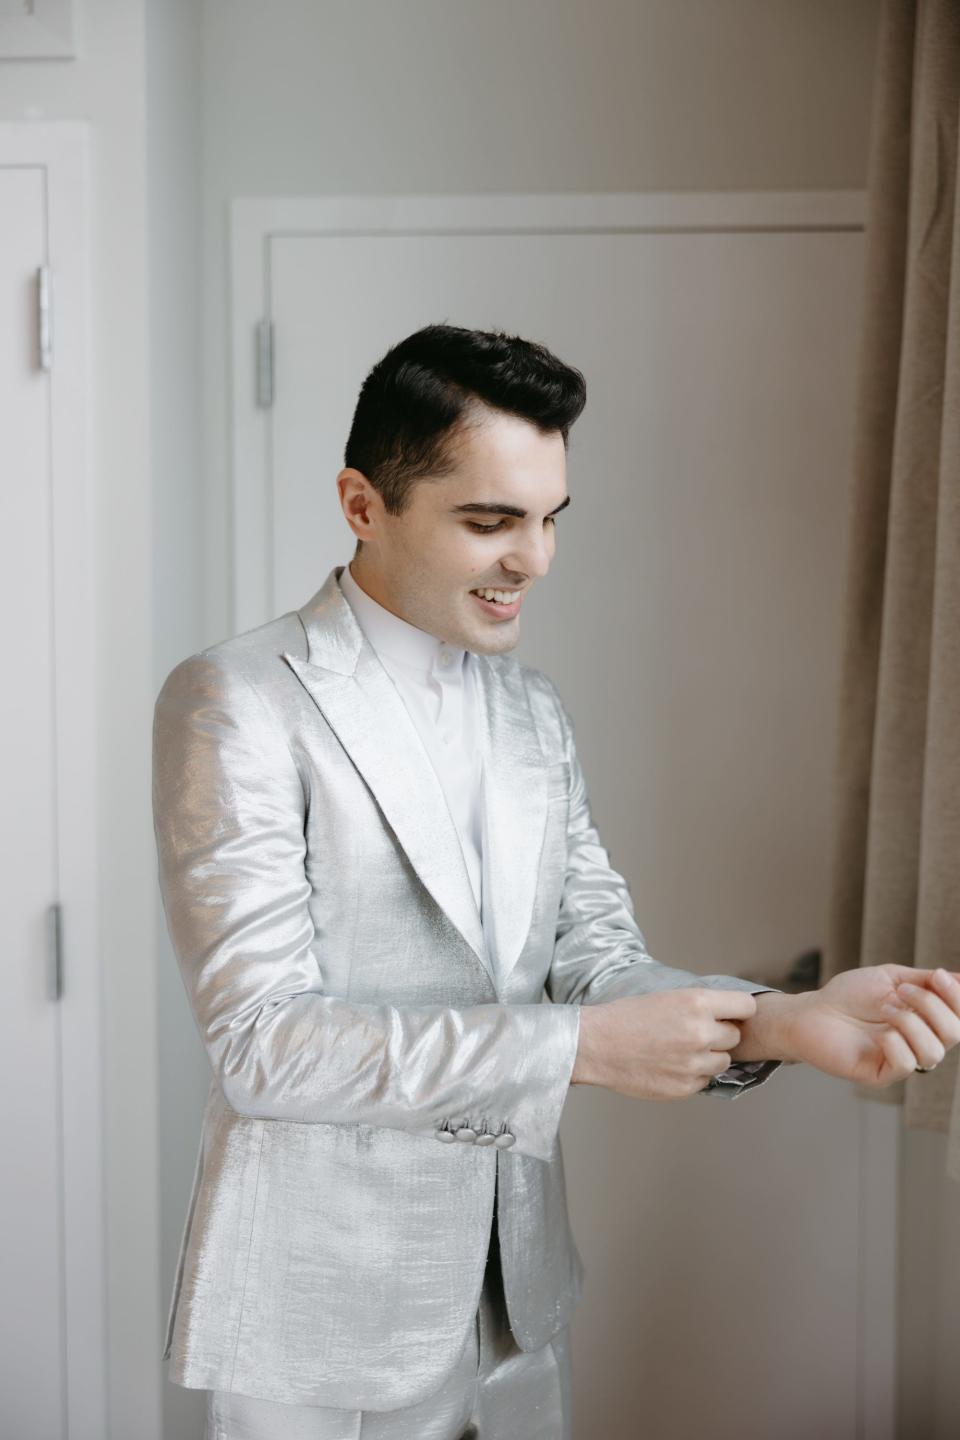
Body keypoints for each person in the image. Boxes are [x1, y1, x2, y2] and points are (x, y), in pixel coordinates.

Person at [153, 323, 960, 1440]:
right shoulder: (236, 700)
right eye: (490, 521)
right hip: (323, 1321)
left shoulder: (532, 711)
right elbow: (264, 1042)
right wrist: (573, 1052)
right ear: (361, 504)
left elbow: (593, 962)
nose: (532, 559)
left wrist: (785, 1023)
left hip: (518, 1307)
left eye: (547, 519)